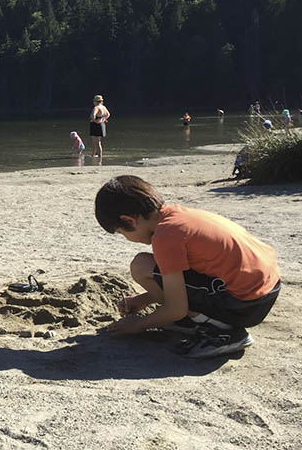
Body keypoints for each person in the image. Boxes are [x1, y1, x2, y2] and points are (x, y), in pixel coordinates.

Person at [94, 175, 280, 358]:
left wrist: (138, 325)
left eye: (120, 232)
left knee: (142, 266)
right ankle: (197, 320)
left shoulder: (166, 236)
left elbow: (176, 308)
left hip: (244, 305)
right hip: (266, 289)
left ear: (129, 220)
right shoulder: (178, 216)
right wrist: (145, 299)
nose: (126, 238)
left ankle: (223, 332)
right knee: (144, 264)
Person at [89, 94, 110, 163]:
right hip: (102, 124)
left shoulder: (96, 107)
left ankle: (97, 156)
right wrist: (103, 119)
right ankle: (96, 156)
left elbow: (93, 115)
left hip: (95, 125)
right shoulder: (103, 107)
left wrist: (94, 120)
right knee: (98, 142)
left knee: (95, 142)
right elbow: (108, 114)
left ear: (95, 101)